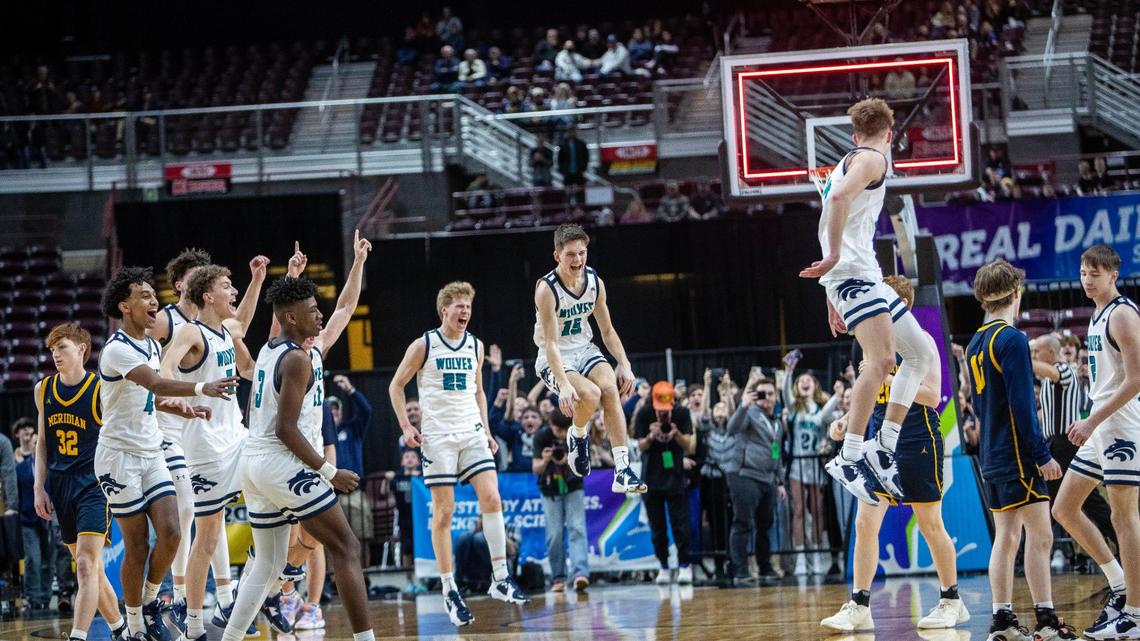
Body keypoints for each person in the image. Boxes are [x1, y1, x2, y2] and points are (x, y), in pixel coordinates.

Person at [225, 269, 375, 641]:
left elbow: (344, 307)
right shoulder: (296, 360)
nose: (320, 316)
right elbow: (285, 429)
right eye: (312, 310)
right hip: (280, 459)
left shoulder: (271, 349)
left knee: (267, 563)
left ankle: (229, 637)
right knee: (347, 546)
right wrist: (330, 471)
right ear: (291, 318)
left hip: (254, 462)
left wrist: (357, 261)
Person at [799, 98, 932, 507]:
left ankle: (883, 446)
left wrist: (829, 288)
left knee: (920, 354)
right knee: (882, 360)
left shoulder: (848, 160)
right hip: (854, 272)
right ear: (889, 135)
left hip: (860, 275)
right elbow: (838, 200)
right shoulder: (874, 159)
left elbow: (829, 212)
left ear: (855, 135)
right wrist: (835, 259)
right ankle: (851, 454)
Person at [821, 275, 968, 632]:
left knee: (930, 524)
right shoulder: (869, 346)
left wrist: (889, 379)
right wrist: (845, 421)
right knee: (864, 523)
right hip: (879, 441)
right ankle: (860, 604)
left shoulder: (921, 342)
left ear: (899, 307)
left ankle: (952, 600)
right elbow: (870, 396)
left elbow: (933, 396)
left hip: (918, 437)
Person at [97, 267, 237, 641]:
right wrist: (202, 388)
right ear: (124, 306)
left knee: (173, 533)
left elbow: (151, 396)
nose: (154, 300)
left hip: (151, 450)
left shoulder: (151, 346)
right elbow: (156, 382)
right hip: (118, 457)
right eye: (144, 295)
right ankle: (134, 626)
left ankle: (149, 601)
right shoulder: (117, 348)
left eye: (153, 294)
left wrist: (181, 408)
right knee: (137, 544)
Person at [388, 281, 530, 627]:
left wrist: (487, 430)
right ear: (444, 310)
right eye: (459, 306)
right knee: (444, 512)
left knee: (492, 498)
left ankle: (500, 576)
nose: (465, 311)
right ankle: (449, 587)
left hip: (471, 432)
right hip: (438, 437)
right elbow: (396, 385)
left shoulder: (476, 345)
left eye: (468, 306)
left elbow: (479, 391)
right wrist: (406, 426)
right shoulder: (424, 344)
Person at [964, 259, 1077, 641]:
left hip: (992, 453)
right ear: (1016, 293)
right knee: (1041, 536)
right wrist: (1041, 455)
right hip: (1017, 454)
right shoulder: (1011, 339)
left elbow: (982, 405)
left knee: (1007, 537)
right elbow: (1022, 405)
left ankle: (1003, 621)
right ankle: (1045, 620)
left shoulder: (976, 342)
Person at [159, 264, 266, 641]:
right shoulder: (191, 331)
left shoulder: (227, 329)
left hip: (238, 438)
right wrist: (176, 392)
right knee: (205, 539)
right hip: (205, 450)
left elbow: (244, 322)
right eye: (227, 286)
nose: (233, 292)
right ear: (208, 295)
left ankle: (269, 581)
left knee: (285, 492)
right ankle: (193, 624)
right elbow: (166, 365)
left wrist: (257, 280)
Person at [1052, 244, 1140, 639]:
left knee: (1123, 518)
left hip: (1121, 426)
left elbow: (1137, 379)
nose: (1087, 280)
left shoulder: (1122, 314)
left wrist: (1092, 420)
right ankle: (1119, 585)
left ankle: (1135, 615)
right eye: (1083, 273)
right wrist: (1091, 420)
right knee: (1064, 508)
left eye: (1095, 274)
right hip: (1100, 425)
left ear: (1113, 276)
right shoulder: (1097, 314)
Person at [533, 224, 646, 494]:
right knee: (590, 394)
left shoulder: (595, 282)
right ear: (557, 256)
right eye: (571, 254)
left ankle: (622, 470)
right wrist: (563, 384)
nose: (578, 260)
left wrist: (625, 364)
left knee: (610, 389)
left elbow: (607, 331)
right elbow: (551, 343)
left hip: (585, 348)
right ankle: (578, 433)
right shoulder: (547, 289)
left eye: (582, 253)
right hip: (555, 355)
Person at [32, 323, 126, 641]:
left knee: (85, 565)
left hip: (93, 485)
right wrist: (39, 487)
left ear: (82, 349)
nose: (55, 354)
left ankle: (78, 636)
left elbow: (117, 439)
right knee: (92, 569)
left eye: (62, 347)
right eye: (52, 349)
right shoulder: (43, 389)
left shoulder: (100, 388)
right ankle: (121, 630)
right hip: (60, 486)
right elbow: (42, 443)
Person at [1030, 334, 1114, 556]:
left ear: (1051, 351)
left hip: (1065, 444)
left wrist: (1019, 357)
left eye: (1037, 351)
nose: (1034, 355)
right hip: (1054, 445)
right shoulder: (1048, 378)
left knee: (1060, 502)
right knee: (1076, 502)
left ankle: (1041, 554)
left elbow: (1052, 373)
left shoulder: (1064, 370)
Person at [779, 359, 841, 576]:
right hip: (797, 464)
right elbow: (785, 394)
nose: (805, 382)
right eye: (801, 380)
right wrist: (789, 371)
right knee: (798, 511)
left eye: (809, 380)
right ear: (797, 387)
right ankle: (800, 559)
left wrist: (838, 394)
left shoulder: (820, 410)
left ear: (815, 386)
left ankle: (816, 555)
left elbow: (829, 418)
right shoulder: (793, 408)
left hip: (815, 465)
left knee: (817, 510)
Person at [724, 378, 785, 585]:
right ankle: (740, 570)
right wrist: (743, 405)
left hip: (767, 479)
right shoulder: (749, 412)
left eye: (770, 393)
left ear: (776, 397)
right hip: (744, 474)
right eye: (762, 393)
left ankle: (765, 566)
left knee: (766, 524)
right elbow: (731, 428)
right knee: (742, 522)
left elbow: (777, 453)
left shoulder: (777, 423)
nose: (766, 397)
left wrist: (780, 481)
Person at [634, 382, 696, 584]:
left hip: (675, 475)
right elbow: (640, 446)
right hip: (651, 476)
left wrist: (675, 433)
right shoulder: (644, 413)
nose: (663, 414)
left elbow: (689, 445)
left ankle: (684, 564)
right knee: (657, 526)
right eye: (660, 410)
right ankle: (663, 565)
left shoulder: (682, 413)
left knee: (681, 524)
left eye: (666, 410)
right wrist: (652, 435)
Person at [533, 409, 589, 591]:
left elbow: (586, 464)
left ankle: (580, 573)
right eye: (559, 430)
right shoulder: (541, 436)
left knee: (577, 528)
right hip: (549, 488)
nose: (563, 434)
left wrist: (570, 460)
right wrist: (545, 460)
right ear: (551, 425)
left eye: (566, 430)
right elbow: (535, 468)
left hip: (573, 485)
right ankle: (558, 577)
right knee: (554, 534)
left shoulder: (577, 433)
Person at [16, 417, 56, 612]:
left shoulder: (51, 467)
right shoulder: (20, 468)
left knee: (49, 560)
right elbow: (16, 493)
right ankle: (33, 598)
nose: (35, 444)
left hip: (48, 518)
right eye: (33, 442)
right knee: (33, 559)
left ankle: (46, 597)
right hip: (28, 519)